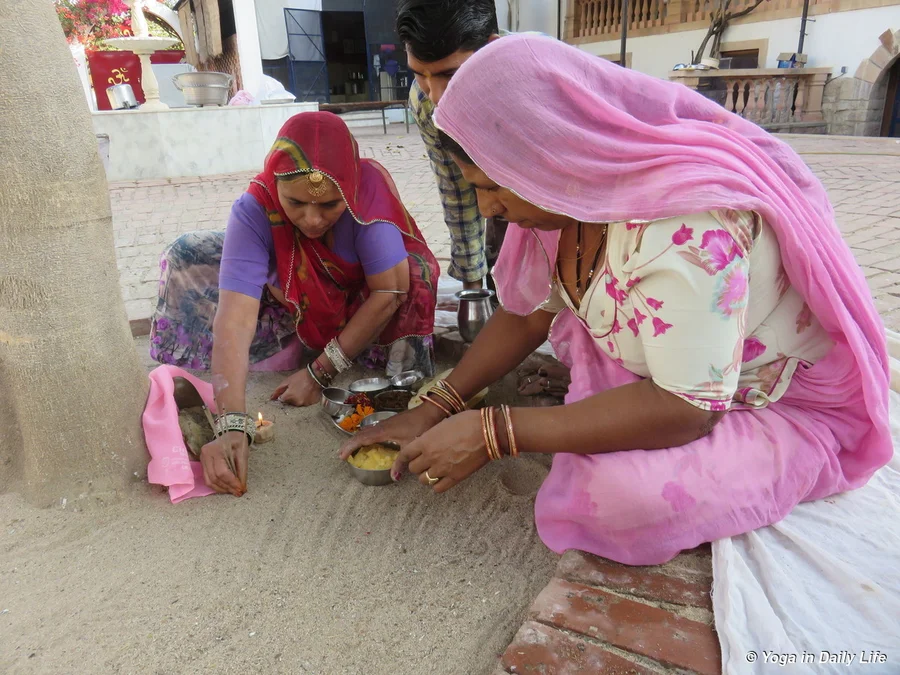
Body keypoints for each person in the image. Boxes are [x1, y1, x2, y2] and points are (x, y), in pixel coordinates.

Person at [339, 35, 892, 565]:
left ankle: (787, 454)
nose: (486, 210)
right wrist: (439, 406)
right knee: (587, 406)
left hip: (770, 398)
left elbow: (687, 410)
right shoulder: (567, 197)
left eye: (492, 186)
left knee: (615, 500)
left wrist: (495, 432)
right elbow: (530, 314)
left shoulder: (690, 230)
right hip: (676, 371)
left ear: (550, 154)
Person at [151, 111, 439, 496]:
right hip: (292, 301)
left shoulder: (366, 191)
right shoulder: (256, 207)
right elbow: (235, 318)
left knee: (415, 275)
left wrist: (319, 374)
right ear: (275, 186)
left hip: (363, 306)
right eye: (296, 203)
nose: (313, 219)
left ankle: (319, 355)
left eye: (330, 205)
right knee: (188, 252)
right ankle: (288, 349)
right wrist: (233, 424)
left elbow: (389, 293)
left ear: (349, 190)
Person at [398, 0, 506, 293]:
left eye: (449, 73)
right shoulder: (424, 104)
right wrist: (473, 288)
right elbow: (457, 192)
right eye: (419, 73)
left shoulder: (536, 79)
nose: (436, 96)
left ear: (490, 49)